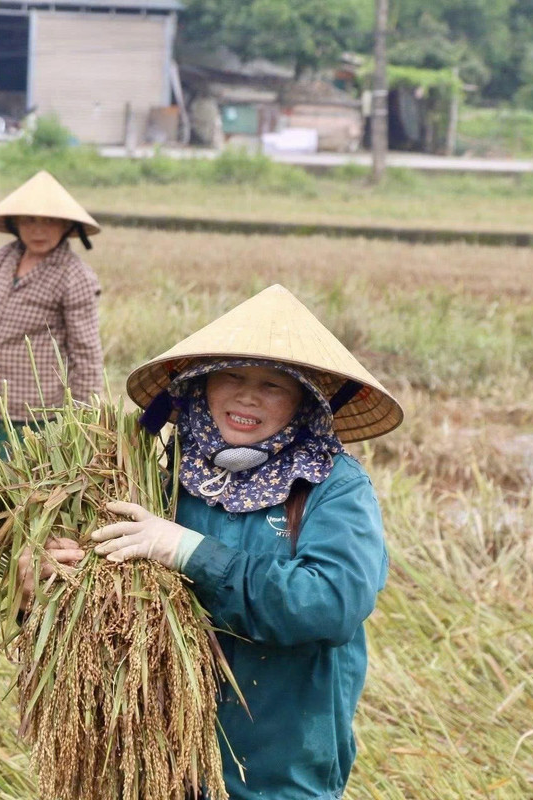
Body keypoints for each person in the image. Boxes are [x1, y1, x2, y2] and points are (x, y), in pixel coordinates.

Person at [26, 284, 404, 799]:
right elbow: (102, 609)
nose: (247, 397)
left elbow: (332, 603)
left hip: (278, 771)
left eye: (273, 385)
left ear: (305, 401)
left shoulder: (332, 486)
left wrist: (189, 552)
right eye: (231, 376)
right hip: (158, 765)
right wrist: (49, 581)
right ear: (200, 386)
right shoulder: (161, 472)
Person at [0, 170, 103, 447]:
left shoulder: (74, 275)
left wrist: (84, 418)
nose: (38, 230)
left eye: (49, 221)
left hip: (34, 412)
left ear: (66, 225)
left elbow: (86, 351)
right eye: (29, 220)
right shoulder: (3, 259)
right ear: (15, 223)